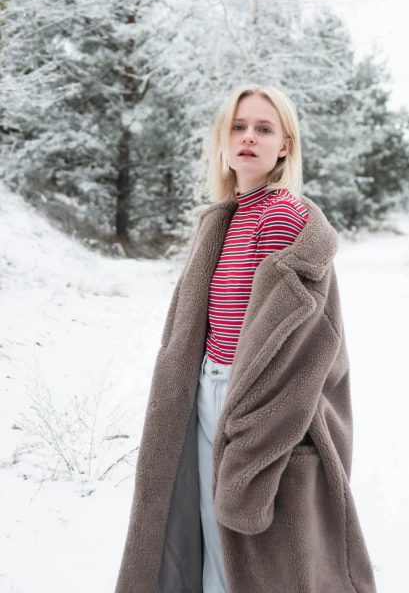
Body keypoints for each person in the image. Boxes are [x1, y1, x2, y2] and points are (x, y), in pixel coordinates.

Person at [114, 83, 377, 593]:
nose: (248, 137)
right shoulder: (228, 216)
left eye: (263, 128)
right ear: (222, 139)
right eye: (238, 126)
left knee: (249, 557)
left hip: (249, 400)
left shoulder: (280, 214)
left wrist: (254, 432)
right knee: (213, 542)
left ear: (285, 146)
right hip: (208, 394)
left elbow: (285, 348)